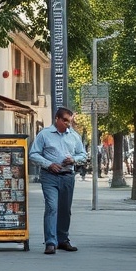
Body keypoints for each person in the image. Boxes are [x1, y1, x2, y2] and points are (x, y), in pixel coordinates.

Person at [28, 107, 87, 254]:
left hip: (67, 176)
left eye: (70, 121)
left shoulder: (74, 136)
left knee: (65, 210)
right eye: (65, 120)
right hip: (50, 176)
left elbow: (83, 155)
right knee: (52, 207)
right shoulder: (45, 134)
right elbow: (33, 154)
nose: (68, 124)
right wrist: (49, 164)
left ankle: (63, 240)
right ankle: (50, 242)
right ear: (57, 119)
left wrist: (73, 159)